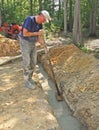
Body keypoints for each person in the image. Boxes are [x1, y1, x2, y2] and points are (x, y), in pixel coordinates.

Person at [19, 10, 51, 89]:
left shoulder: (40, 25)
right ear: (41, 16)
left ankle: (30, 78)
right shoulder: (30, 20)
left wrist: (44, 46)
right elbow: (24, 33)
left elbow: (40, 38)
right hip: (25, 42)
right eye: (44, 19)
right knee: (27, 61)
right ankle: (26, 82)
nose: (44, 21)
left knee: (34, 61)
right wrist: (37, 33)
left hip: (32, 43)